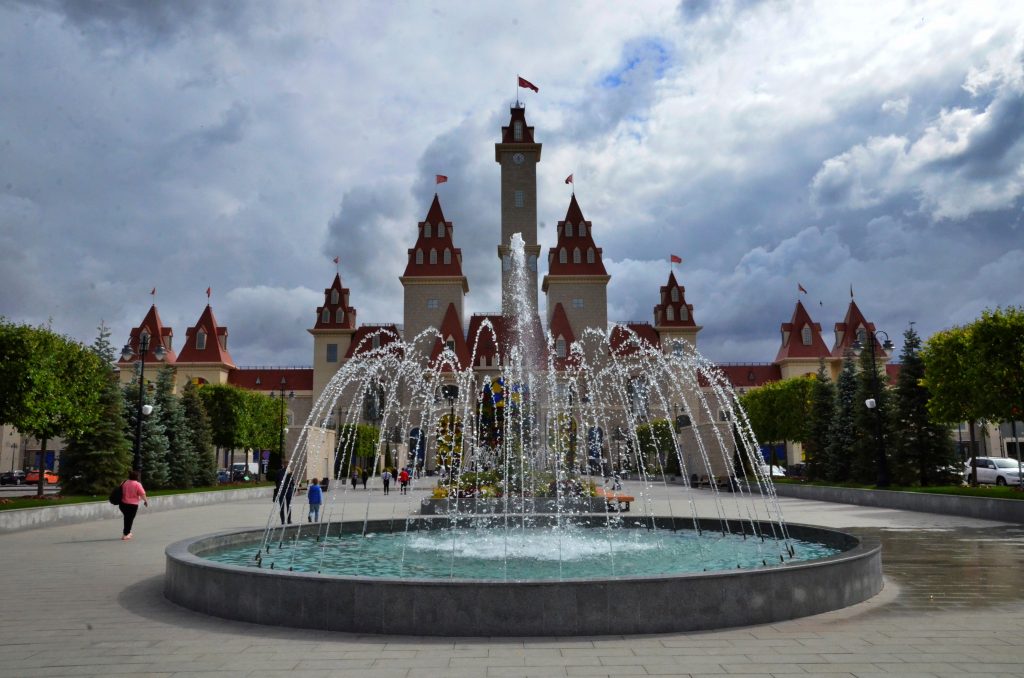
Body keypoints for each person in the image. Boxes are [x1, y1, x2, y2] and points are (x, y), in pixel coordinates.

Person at [118, 470, 148, 540]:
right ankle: (126, 534)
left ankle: (127, 532)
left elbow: (120, 490)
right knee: (129, 519)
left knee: (127, 518)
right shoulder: (137, 484)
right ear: (137, 477)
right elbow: (142, 494)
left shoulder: (124, 482)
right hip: (132, 505)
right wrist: (146, 501)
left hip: (122, 504)